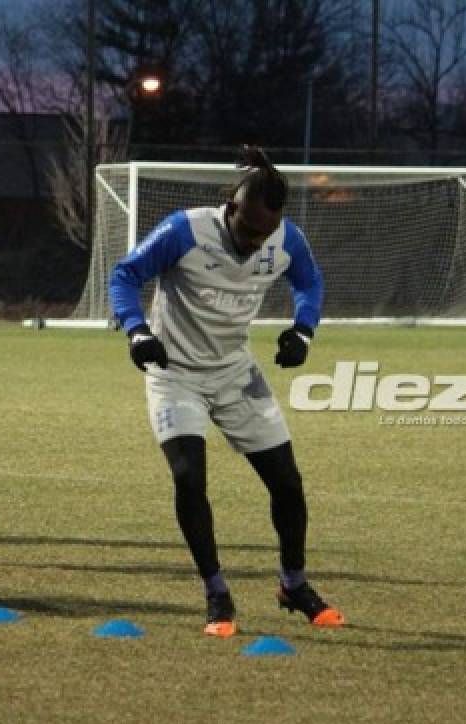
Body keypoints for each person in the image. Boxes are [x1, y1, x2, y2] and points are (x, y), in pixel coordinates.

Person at [107, 147, 344, 637]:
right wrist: (136, 330)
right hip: (175, 373)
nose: (255, 242)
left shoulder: (285, 238)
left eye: (264, 234)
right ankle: (216, 592)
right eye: (248, 231)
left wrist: (303, 331)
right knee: (190, 478)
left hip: (237, 374)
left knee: (288, 484)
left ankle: (293, 584)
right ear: (231, 209)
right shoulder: (184, 230)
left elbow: (310, 282)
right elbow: (125, 274)